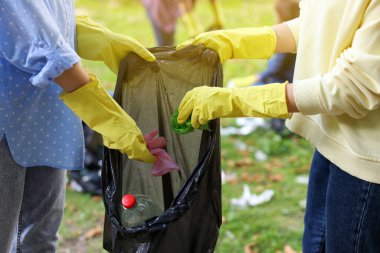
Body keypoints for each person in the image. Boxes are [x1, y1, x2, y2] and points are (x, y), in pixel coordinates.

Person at [176, 0, 380, 252]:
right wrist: (238, 41)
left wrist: (238, 100)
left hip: (366, 168)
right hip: (330, 144)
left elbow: (354, 87)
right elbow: (323, 24)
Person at [0, 2, 157, 252]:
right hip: (7, 121)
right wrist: (111, 120)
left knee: (40, 240)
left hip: (49, 118)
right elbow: (42, 43)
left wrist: (100, 38)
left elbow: (49, 14)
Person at [142, 0, 225, 46]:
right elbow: (184, 6)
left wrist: (218, 19)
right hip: (158, 7)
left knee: (168, 43)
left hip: (171, 8)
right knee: (165, 44)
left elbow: (187, 6)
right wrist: (193, 29)